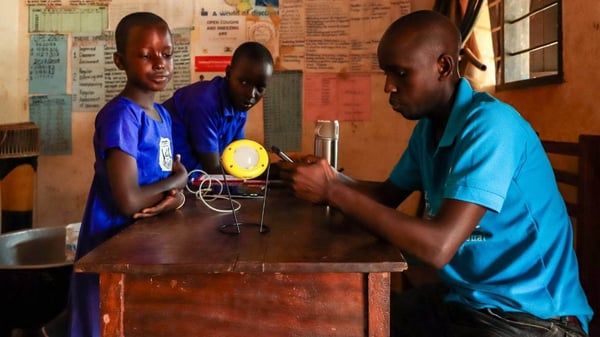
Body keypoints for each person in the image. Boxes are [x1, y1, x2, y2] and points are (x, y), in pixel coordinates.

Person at [279, 10, 593, 337]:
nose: (389, 86)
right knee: (345, 319)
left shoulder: (492, 126)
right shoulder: (430, 127)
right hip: (468, 301)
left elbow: (438, 247)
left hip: (532, 320)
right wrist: (326, 177)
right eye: (387, 73)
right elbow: (387, 195)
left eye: (400, 73)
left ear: (443, 66)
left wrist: (332, 190)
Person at [67, 12, 188, 337]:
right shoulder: (121, 116)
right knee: (105, 322)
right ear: (120, 61)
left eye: (166, 54)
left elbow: (163, 194)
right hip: (110, 247)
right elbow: (129, 200)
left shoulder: (161, 114)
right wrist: (178, 181)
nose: (159, 63)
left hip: (144, 244)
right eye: (146, 56)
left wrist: (173, 199)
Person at [162, 41, 274, 174]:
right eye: (243, 82)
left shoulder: (240, 108)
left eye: (260, 88)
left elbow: (237, 161)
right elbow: (213, 169)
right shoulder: (204, 102)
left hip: (191, 181)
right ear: (228, 73)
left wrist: (273, 171)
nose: (251, 94)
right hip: (162, 177)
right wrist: (268, 173)